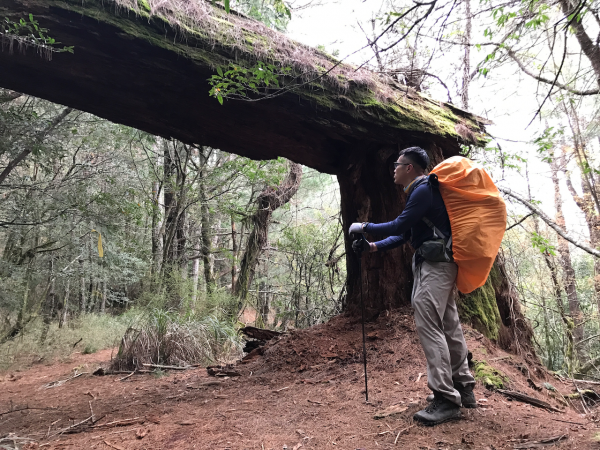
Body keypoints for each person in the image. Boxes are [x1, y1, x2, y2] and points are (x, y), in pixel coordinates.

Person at [348, 146, 476, 426]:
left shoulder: (423, 189)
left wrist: (364, 225)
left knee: (431, 326)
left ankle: (446, 398)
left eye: (398, 164)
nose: (393, 168)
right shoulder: (425, 192)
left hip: (435, 268)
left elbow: (398, 225)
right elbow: (406, 234)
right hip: (442, 265)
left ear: (409, 168)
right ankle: (463, 387)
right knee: (449, 324)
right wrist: (372, 246)